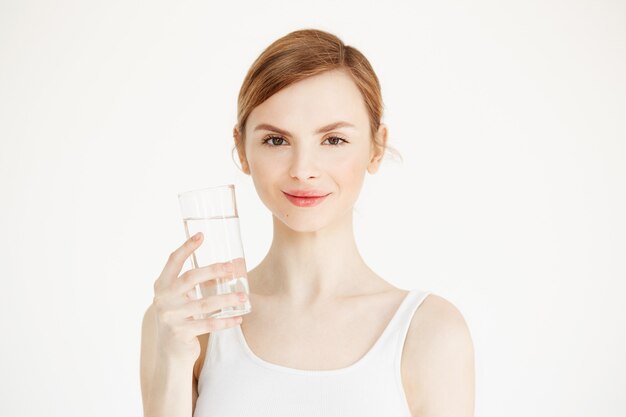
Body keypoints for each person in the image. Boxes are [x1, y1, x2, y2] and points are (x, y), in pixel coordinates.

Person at [140, 28, 475, 417]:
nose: (303, 170)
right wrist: (172, 360)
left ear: (376, 147)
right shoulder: (190, 323)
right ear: (242, 150)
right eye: (276, 141)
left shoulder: (429, 332)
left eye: (333, 140)